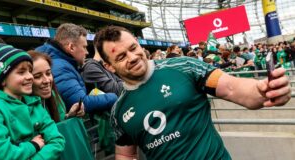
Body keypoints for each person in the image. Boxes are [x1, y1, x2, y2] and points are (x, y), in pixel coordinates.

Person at [94, 26, 291, 160]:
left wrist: (263, 91)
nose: (133, 57)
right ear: (109, 66)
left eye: (133, 48)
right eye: (121, 56)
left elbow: (232, 88)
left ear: (138, 43)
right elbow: (126, 155)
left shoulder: (185, 67)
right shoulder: (119, 111)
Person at [0, 44, 65, 159]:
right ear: (3, 80)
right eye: (21, 72)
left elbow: (57, 140)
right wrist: (33, 146)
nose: (30, 77)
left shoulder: (33, 102)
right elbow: (2, 154)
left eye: (29, 71)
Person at [36, 23, 117, 113]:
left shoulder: (62, 63)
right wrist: (114, 97)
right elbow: (81, 103)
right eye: (84, 47)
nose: (87, 52)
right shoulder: (60, 67)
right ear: (71, 47)